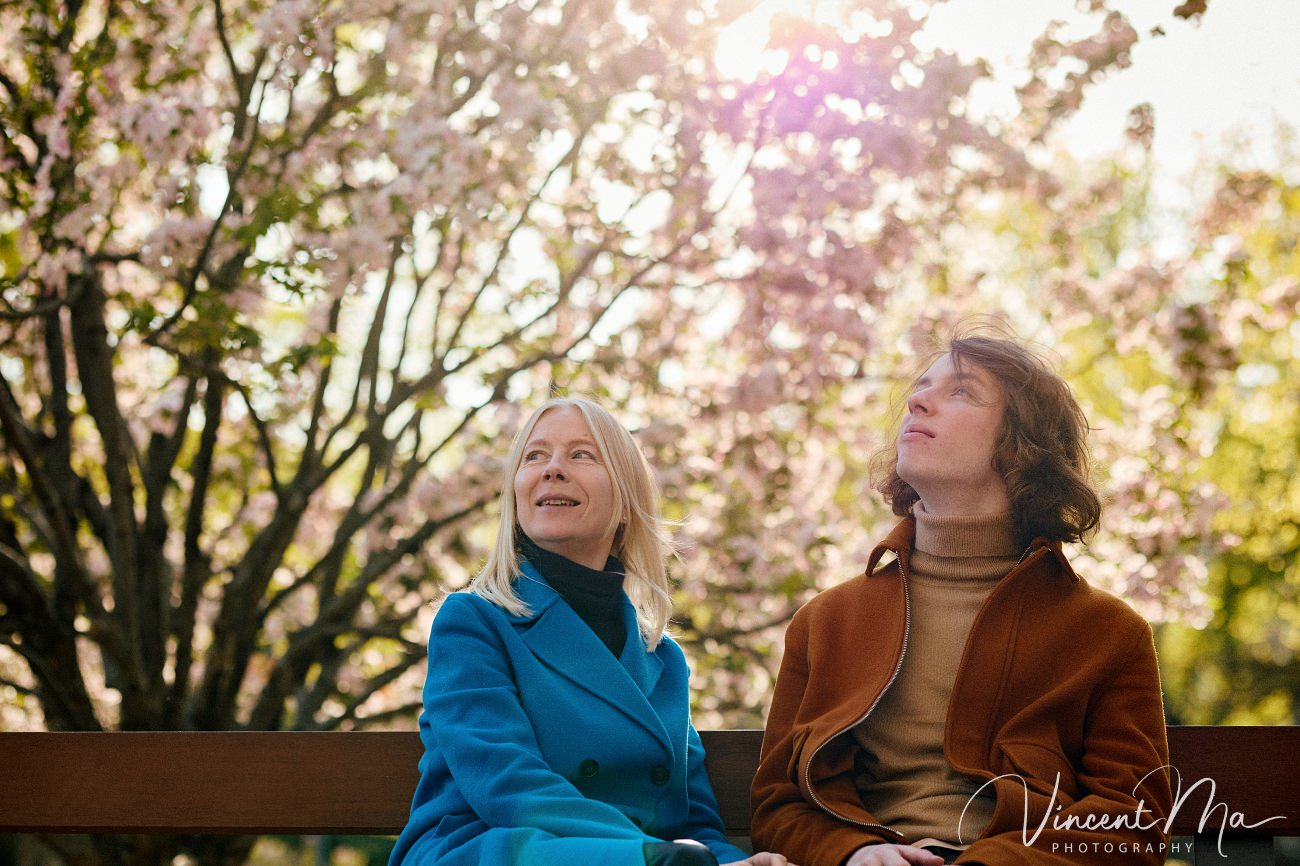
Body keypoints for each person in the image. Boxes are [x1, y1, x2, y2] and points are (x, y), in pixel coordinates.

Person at [750, 326, 1174, 866]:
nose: (916, 400)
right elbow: (777, 808)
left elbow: (1131, 825)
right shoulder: (826, 621)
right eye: (921, 387)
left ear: (1022, 444)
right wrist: (853, 854)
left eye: (961, 391)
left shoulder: (1107, 632)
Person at [392, 396, 790, 866]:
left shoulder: (661, 657)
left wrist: (728, 862)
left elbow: (691, 819)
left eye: (581, 454)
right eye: (534, 456)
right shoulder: (473, 621)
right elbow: (507, 785)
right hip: (494, 850)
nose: (552, 469)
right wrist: (648, 854)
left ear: (625, 501)